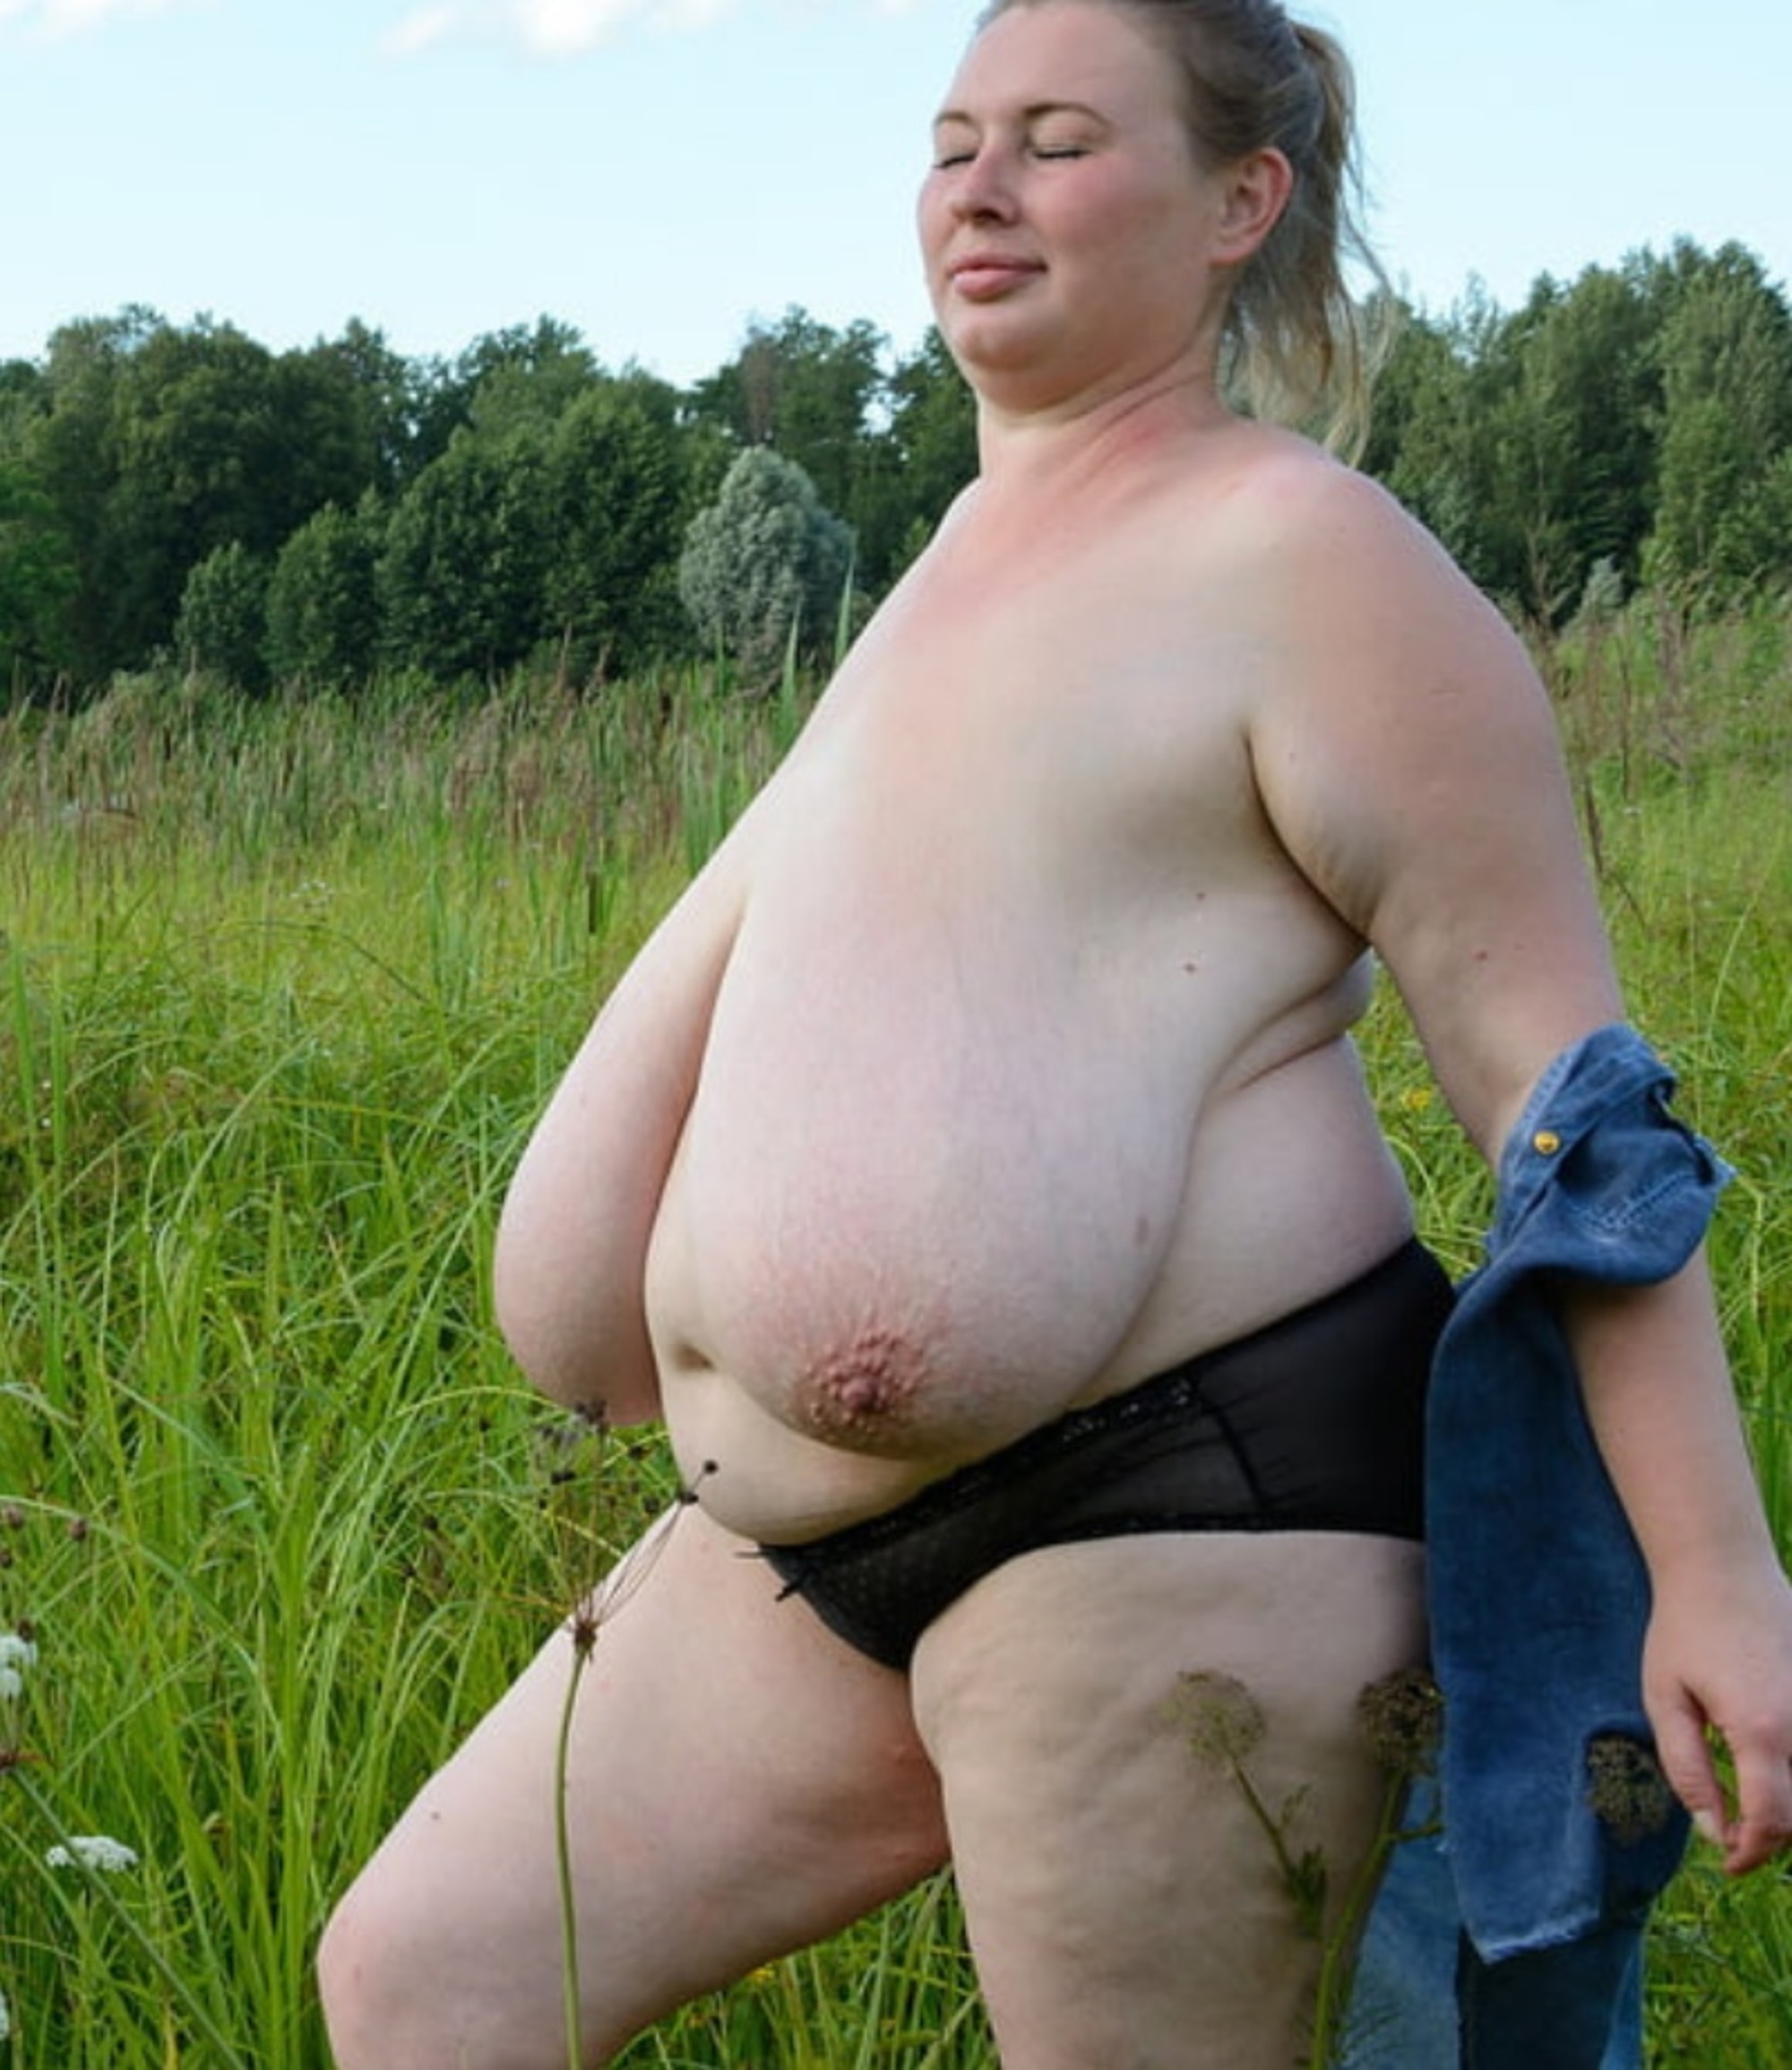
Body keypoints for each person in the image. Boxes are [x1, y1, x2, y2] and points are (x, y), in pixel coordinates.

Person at [316, 3, 1792, 2065]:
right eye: (952, 144)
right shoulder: (953, 556)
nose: (980, 189)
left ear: (1239, 202)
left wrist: (1715, 1571)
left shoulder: (1305, 558)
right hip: (811, 1543)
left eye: (1058, 141)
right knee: (423, 1981)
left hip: (1178, 1503)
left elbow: (1567, 1110)